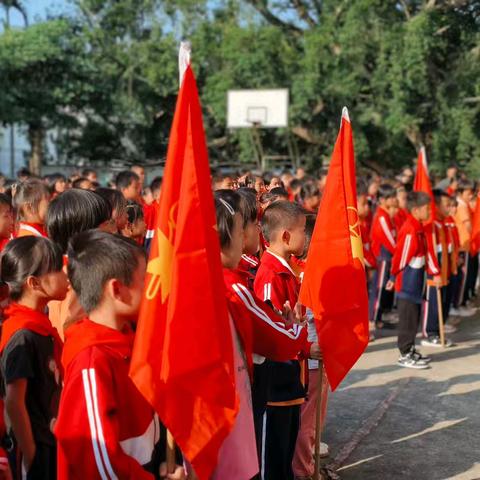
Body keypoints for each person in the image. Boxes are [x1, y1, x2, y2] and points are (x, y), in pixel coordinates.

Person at [54, 231, 184, 479]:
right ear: (117, 289)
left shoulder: (128, 339)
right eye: (144, 280)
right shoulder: (91, 361)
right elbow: (98, 462)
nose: (151, 288)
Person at [0, 237, 68, 479]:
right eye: (58, 268)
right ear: (34, 283)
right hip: (36, 448)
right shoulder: (22, 335)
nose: (65, 274)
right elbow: (14, 403)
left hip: (49, 440)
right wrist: (32, 458)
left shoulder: (39, 325)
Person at [254, 201, 307, 480]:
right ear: (286, 236)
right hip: (275, 385)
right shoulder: (269, 276)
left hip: (290, 382)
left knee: (284, 459)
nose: (305, 237)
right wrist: (306, 344)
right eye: (302, 230)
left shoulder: (287, 270)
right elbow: (271, 334)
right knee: (271, 463)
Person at [46, 189, 114, 337]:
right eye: (106, 224)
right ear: (84, 233)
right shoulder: (75, 276)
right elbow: (68, 326)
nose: (112, 230)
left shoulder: (62, 267)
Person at [292, 214, 329, 479]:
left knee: (314, 413)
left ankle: (309, 459)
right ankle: (303, 470)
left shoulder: (299, 264)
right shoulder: (305, 270)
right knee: (307, 418)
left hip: (311, 351)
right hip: (311, 354)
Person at [389, 191, 440, 369]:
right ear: (416, 210)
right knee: (407, 320)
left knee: (414, 318)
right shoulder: (410, 229)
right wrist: (393, 275)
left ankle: (410, 349)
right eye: (427, 208)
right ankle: (404, 354)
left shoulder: (418, 226)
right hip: (407, 284)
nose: (429, 212)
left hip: (416, 283)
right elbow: (400, 257)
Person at [421, 190, 452, 347]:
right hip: (434, 274)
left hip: (444, 272)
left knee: (443, 302)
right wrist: (435, 272)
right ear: (437, 206)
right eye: (446, 205)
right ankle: (429, 333)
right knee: (432, 302)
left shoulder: (443, 225)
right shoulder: (430, 227)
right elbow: (430, 251)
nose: (449, 208)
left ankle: (438, 331)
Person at [369, 184, 397, 329]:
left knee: (383, 287)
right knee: (379, 288)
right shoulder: (381, 216)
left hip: (387, 255)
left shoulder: (386, 215)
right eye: (391, 198)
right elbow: (389, 239)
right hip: (383, 256)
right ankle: (372, 318)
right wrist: (398, 251)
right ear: (383, 199)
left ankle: (378, 317)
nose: (394, 200)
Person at [454, 180, 475, 306]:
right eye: (468, 193)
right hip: (463, 244)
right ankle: (459, 303)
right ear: (461, 193)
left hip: (463, 244)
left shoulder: (462, 205)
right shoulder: (462, 206)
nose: (470, 196)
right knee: (463, 276)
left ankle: (460, 302)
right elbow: (468, 226)